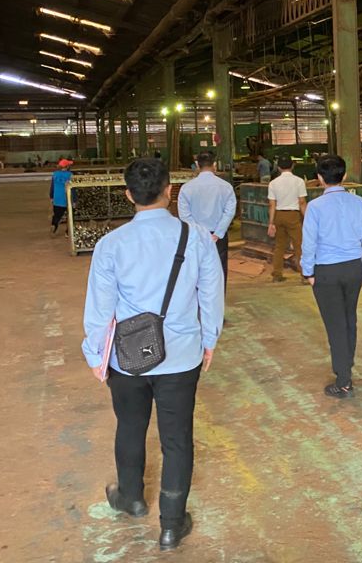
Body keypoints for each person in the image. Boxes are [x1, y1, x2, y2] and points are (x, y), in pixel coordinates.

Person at [81, 158, 224, 551]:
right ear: (169, 191)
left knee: (130, 425)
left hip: (127, 358)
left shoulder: (111, 245)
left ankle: (131, 498)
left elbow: (100, 308)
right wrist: (210, 338)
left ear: (128, 195)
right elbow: (211, 293)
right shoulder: (197, 237)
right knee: (177, 438)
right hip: (181, 355)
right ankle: (171, 525)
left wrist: (95, 353)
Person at [300, 155, 362, 399]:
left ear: (319, 178)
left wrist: (308, 271)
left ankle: (343, 380)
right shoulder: (359, 203)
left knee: (335, 324)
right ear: (344, 176)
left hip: (327, 271)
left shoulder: (315, 207)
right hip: (353, 268)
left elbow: (309, 243)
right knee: (348, 318)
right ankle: (346, 364)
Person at [178, 153, 237, 284]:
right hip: (218, 237)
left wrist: (198, 232)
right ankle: (218, 296)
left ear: (197, 165)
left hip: (195, 236)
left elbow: (184, 215)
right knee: (219, 270)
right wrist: (218, 233)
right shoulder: (226, 187)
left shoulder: (186, 188)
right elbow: (229, 212)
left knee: (196, 270)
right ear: (214, 165)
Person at [267, 156, 307, 283]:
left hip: (279, 215)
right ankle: (304, 275)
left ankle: (277, 274)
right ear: (293, 166)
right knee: (299, 246)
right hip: (293, 215)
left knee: (279, 246)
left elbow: (272, 205)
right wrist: (307, 219)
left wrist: (271, 223)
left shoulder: (273, 183)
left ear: (278, 168)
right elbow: (302, 202)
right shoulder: (299, 181)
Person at [49, 158, 73, 235]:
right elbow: (73, 188)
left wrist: (51, 197)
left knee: (57, 215)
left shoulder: (55, 174)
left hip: (57, 198)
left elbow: (52, 187)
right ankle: (67, 232)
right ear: (67, 166)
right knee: (69, 216)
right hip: (66, 198)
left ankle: (54, 225)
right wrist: (75, 200)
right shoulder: (70, 175)